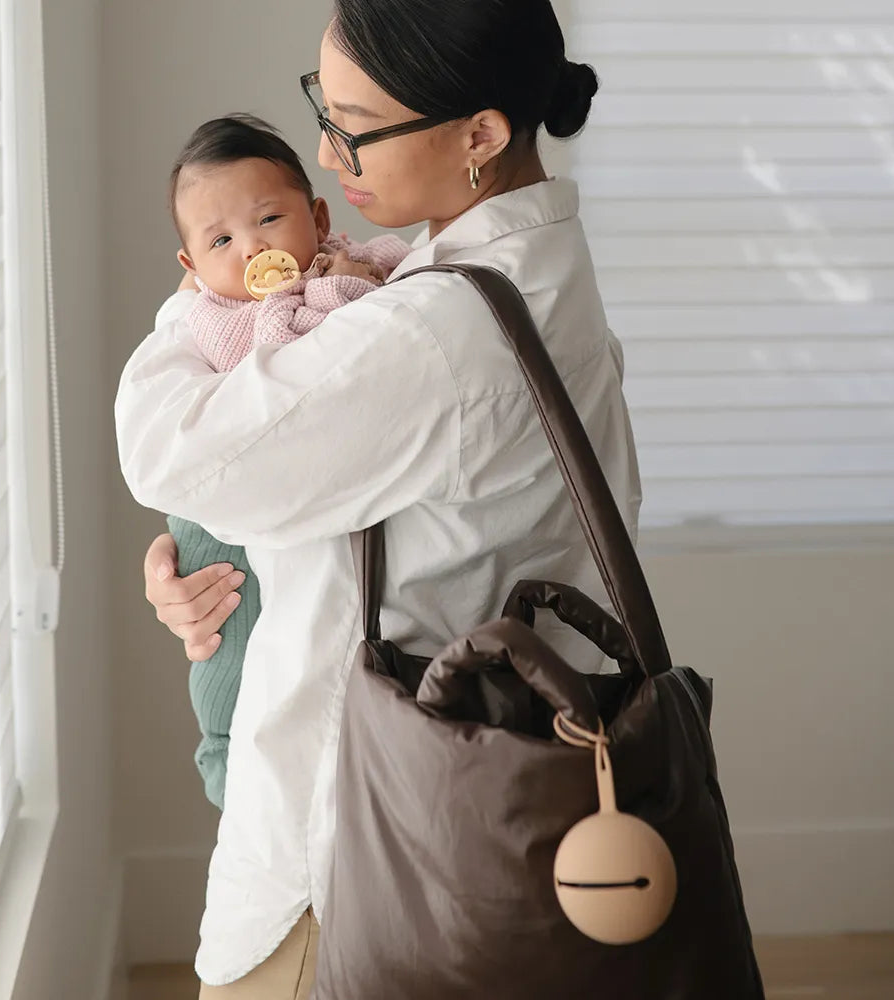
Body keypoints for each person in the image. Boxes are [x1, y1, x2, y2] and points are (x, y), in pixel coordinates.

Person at [115, 0, 641, 996]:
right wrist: (236, 573)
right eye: (323, 104)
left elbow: (168, 450)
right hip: (454, 821)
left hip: (350, 859)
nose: (325, 146)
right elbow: (415, 522)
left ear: (479, 135)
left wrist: (204, 295)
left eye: (354, 123)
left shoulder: (434, 330)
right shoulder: (526, 272)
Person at [162, 112, 411, 809]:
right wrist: (320, 290)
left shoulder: (351, 259)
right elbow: (274, 364)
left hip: (282, 502)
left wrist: (348, 273)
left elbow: (381, 287)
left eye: (269, 218)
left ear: (319, 215)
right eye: (221, 240)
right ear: (191, 269)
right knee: (227, 652)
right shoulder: (216, 313)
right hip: (215, 530)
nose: (251, 249)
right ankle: (223, 761)